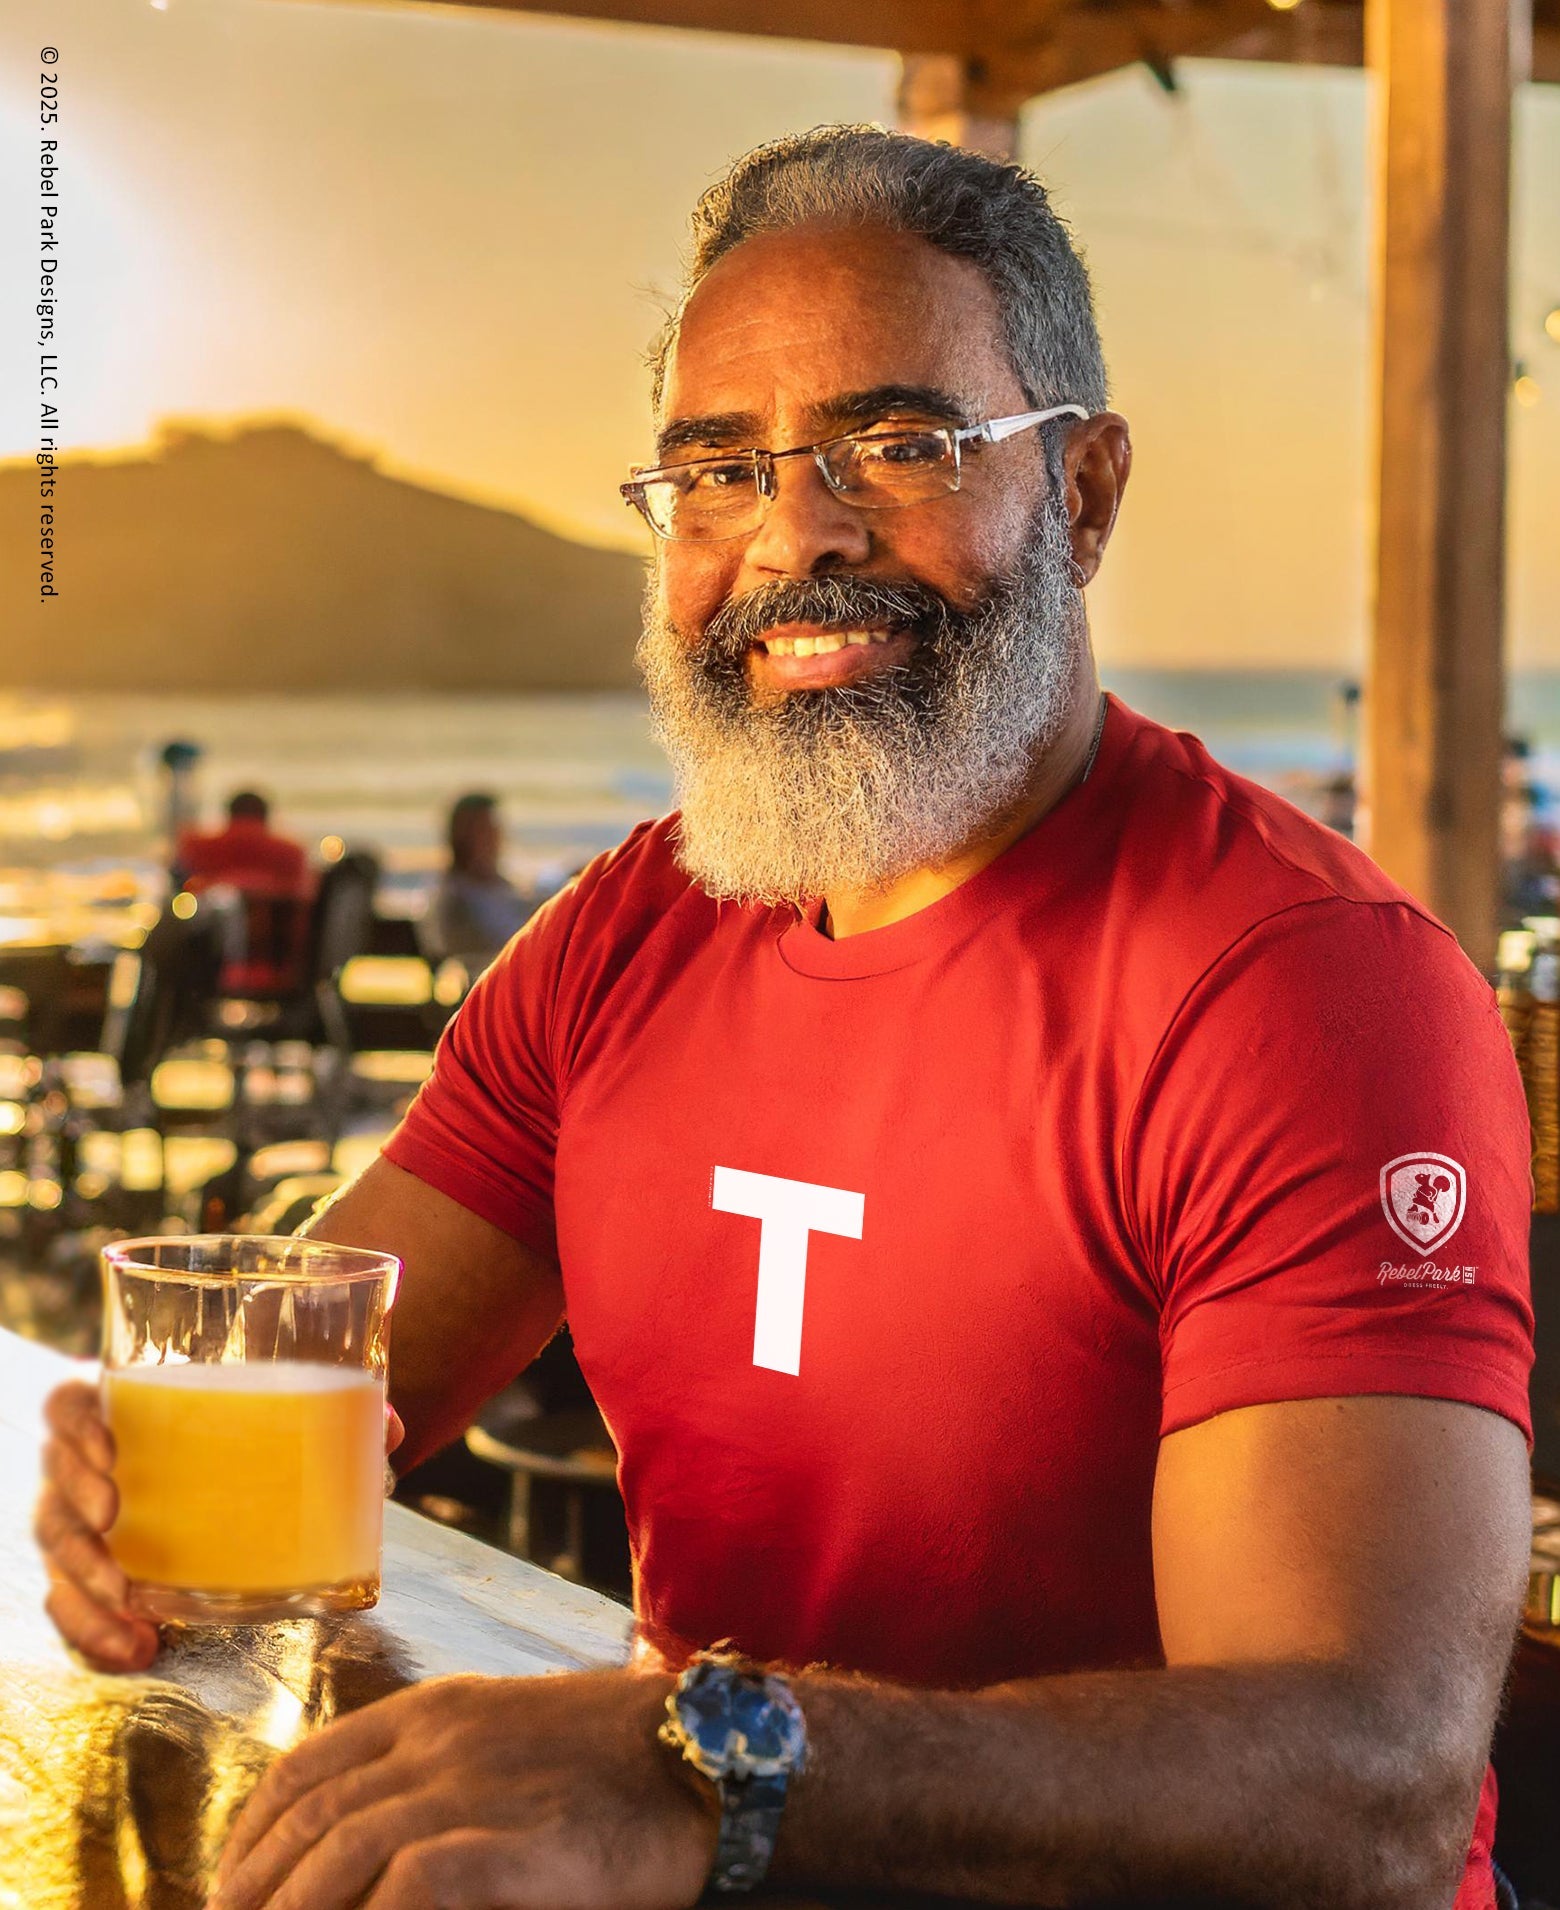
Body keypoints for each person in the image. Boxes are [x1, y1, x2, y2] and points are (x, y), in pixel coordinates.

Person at [37, 128, 1533, 1910]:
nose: (795, 535)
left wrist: (701, 1763)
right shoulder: (625, 941)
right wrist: (130, 1483)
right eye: (718, 472)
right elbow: (326, 1380)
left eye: (898, 447)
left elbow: (1366, 1793)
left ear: (1084, 491)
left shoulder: (1299, 988)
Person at [422, 792, 531, 972]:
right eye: (484, 829)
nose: (494, 838)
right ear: (461, 837)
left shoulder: (504, 888)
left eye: (495, 829)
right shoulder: (453, 897)